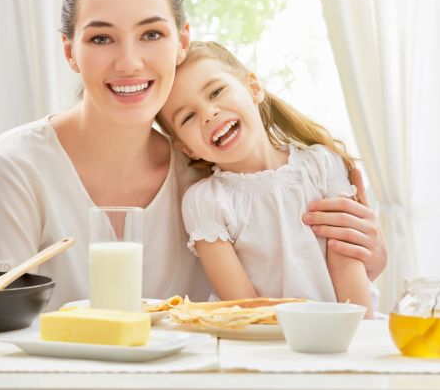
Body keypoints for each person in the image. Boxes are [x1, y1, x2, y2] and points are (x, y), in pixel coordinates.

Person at [0, 0, 386, 311]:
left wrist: (369, 258)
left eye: (151, 33)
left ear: (182, 40)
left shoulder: (212, 171)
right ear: (70, 51)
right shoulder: (10, 170)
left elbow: (296, 276)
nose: (129, 62)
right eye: (101, 37)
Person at [156, 41, 374, 317]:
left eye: (216, 92)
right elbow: (244, 305)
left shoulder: (320, 164)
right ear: (186, 148)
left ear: (253, 88)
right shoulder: (206, 202)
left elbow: (347, 266)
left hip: (340, 333)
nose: (208, 114)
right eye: (188, 116)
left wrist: (360, 335)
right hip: (265, 341)